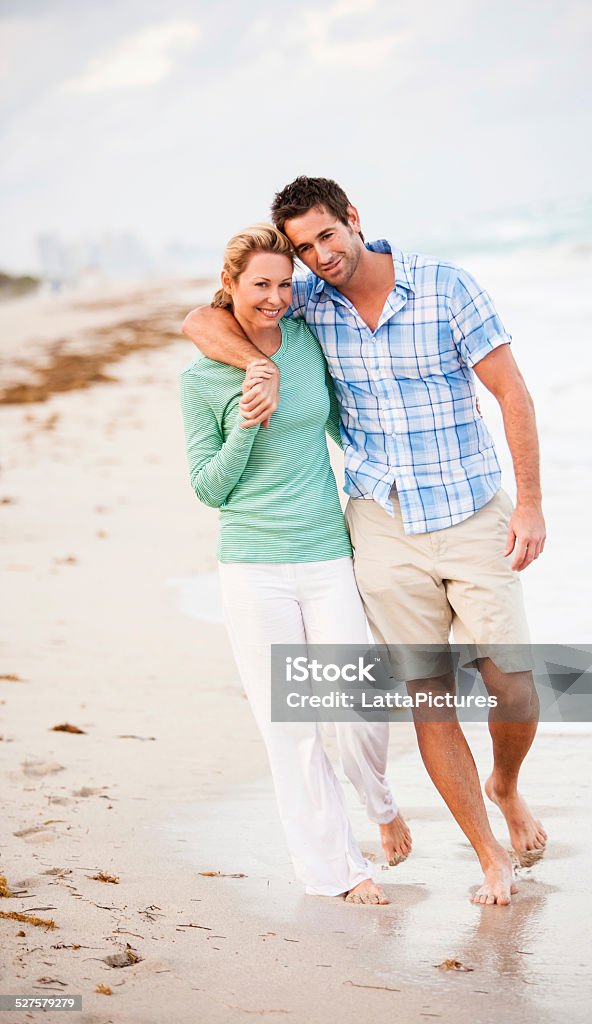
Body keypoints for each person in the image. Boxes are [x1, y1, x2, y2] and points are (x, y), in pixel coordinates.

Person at [183, 179, 548, 907]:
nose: (317, 258)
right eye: (302, 249)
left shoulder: (436, 287)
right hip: (376, 523)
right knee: (422, 693)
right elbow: (200, 319)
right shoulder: (305, 303)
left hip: (465, 508)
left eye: (326, 237)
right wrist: (252, 372)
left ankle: (502, 784)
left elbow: (511, 391)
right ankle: (481, 860)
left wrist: (531, 504)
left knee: (509, 677)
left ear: (353, 220)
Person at [179, 223, 411, 905]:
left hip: (325, 555)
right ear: (229, 287)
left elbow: (343, 424)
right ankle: (335, 873)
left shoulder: (307, 343)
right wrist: (247, 422)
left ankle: (381, 803)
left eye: (284, 284)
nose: (276, 297)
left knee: (360, 706)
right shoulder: (199, 379)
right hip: (254, 568)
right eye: (260, 285)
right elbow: (207, 489)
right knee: (294, 731)